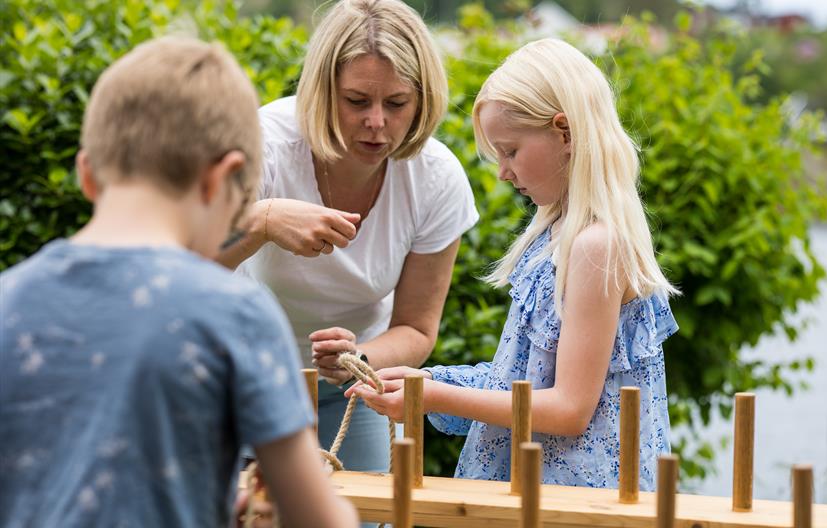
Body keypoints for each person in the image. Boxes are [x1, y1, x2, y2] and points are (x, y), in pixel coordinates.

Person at [0, 37, 357, 527]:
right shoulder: (237, 313)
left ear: (86, 174)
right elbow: (320, 519)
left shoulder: (9, 299)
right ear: (225, 179)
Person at [348, 38, 680, 490]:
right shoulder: (557, 237)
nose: (503, 171)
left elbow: (568, 410)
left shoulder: (596, 246)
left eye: (510, 151)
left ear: (563, 132)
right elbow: (521, 382)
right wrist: (427, 381)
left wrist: (431, 396)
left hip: (576, 506)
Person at [218, 0, 478, 473]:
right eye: (357, 101)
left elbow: (417, 329)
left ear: (422, 100)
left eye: (396, 103)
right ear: (321, 91)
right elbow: (186, 270)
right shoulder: (265, 145)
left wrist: (357, 358)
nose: (376, 122)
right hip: (242, 378)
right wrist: (262, 220)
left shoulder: (437, 178)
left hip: (350, 391)